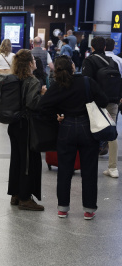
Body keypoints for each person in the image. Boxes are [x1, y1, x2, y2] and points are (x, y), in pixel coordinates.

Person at [38, 55, 108, 219]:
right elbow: (104, 101)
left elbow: (42, 106)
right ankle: (89, 209)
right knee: (89, 170)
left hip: (66, 127)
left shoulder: (57, 86)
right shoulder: (86, 81)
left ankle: (63, 208)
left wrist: (57, 114)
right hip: (87, 127)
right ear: (72, 67)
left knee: (64, 170)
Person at [7, 49, 46, 210]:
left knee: (17, 159)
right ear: (30, 63)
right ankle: (25, 197)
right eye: (34, 60)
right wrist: (42, 94)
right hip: (27, 125)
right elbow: (32, 103)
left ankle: (15, 194)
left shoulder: (13, 79)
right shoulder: (33, 81)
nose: (35, 62)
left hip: (14, 124)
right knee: (28, 161)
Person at [82, 36, 122, 178]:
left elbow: (86, 82)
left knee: (92, 131)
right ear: (105, 48)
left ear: (92, 47)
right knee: (112, 133)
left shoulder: (89, 61)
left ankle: (89, 165)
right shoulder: (113, 62)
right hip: (113, 101)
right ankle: (113, 168)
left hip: (95, 103)